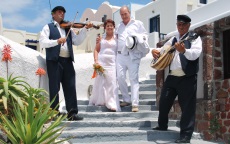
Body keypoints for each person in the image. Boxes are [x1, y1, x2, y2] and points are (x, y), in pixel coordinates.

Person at [151, 15, 202, 143]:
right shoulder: (173, 39)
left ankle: (185, 136)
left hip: (187, 78)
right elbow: (163, 49)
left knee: (187, 108)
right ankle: (162, 125)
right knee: (164, 101)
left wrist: (184, 51)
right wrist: (155, 51)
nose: (181, 27)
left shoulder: (195, 37)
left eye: (183, 25)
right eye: (179, 24)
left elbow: (196, 54)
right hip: (173, 76)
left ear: (188, 26)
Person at [39, 6, 93, 121]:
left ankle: (72, 113)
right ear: (53, 14)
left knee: (70, 86)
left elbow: (77, 41)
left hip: (68, 61)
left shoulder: (68, 28)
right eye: (59, 12)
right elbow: (43, 42)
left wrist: (85, 29)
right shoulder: (48, 27)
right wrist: (57, 41)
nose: (62, 14)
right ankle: (54, 113)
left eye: (63, 12)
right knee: (54, 87)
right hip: (55, 61)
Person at [116, 6, 149, 112]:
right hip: (120, 55)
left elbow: (144, 36)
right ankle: (126, 99)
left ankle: (135, 104)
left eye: (125, 14)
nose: (124, 16)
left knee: (133, 79)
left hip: (133, 55)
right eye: (122, 14)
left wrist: (136, 37)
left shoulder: (138, 23)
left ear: (129, 13)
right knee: (120, 77)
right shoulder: (119, 26)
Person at [89, 19, 121, 112]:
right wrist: (96, 61)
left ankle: (111, 103)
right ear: (105, 28)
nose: (109, 27)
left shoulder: (117, 38)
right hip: (102, 62)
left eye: (111, 25)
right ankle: (101, 100)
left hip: (112, 62)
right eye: (108, 26)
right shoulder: (100, 38)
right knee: (101, 82)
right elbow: (96, 50)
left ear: (114, 27)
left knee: (112, 82)